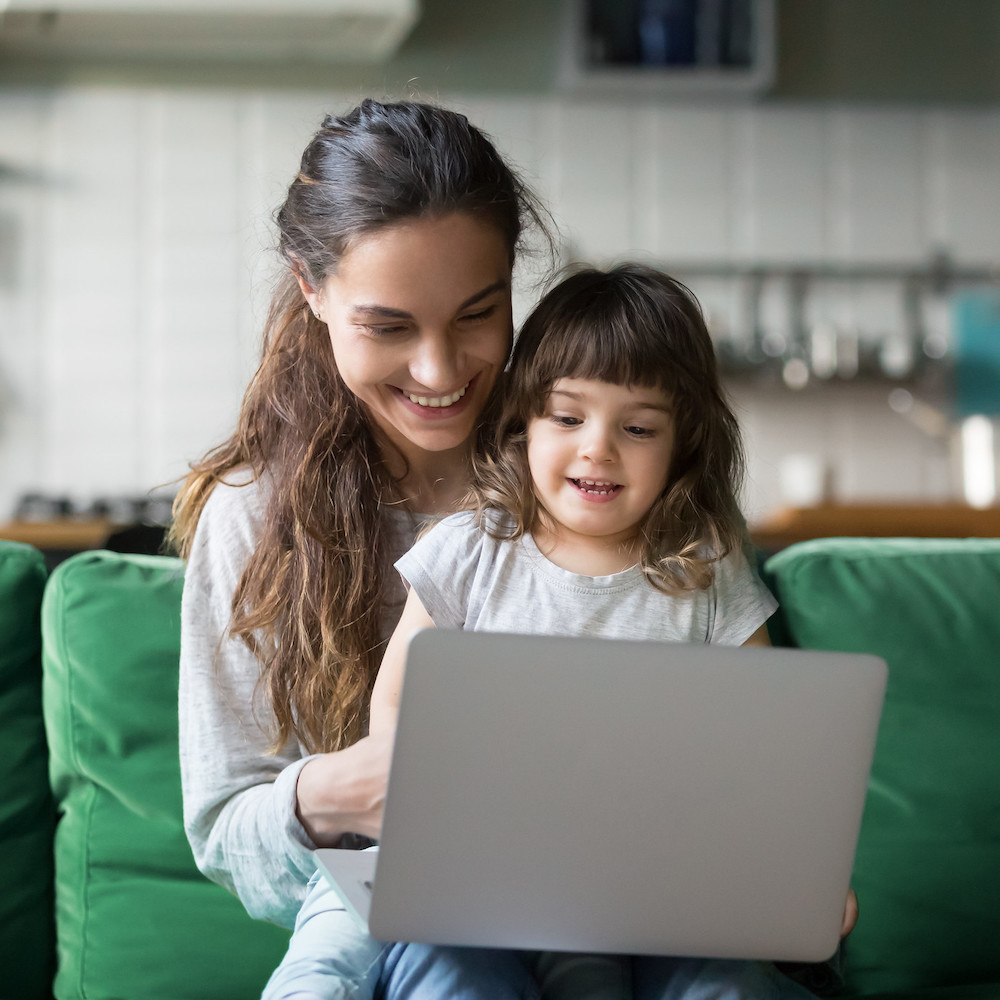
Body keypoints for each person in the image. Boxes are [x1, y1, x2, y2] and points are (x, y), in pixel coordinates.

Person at [262, 263, 857, 1000]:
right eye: (568, 417)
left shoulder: (704, 567)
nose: (597, 448)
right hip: (482, 887)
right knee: (449, 978)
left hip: (660, 893)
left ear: (682, 443)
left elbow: (765, 742)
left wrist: (799, 871)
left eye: (637, 428)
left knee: (725, 986)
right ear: (523, 420)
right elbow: (393, 715)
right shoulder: (472, 550)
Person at [171, 98, 554, 1000]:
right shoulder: (252, 514)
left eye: (477, 314)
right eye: (389, 327)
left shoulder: (591, 477)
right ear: (312, 291)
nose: (440, 370)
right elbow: (226, 833)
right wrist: (332, 795)